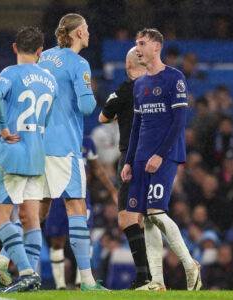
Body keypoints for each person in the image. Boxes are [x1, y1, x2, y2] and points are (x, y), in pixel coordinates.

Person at [121, 28, 202, 291]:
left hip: (165, 156)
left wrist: (159, 154)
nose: (137, 48)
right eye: (136, 43)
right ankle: (157, 280)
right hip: (142, 157)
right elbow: (136, 126)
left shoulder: (174, 78)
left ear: (157, 47)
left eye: (142, 43)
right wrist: (129, 161)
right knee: (146, 216)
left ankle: (190, 265)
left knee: (156, 211)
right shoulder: (140, 84)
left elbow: (179, 122)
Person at [0, 26, 57, 293]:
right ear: (40, 51)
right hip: (37, 154)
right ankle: (33, 276)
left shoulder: (9, 73)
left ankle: (26, 272)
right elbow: (48, 116)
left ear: (15, 47)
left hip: (12, 153)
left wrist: (4, 126)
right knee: (30, 217)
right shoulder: (49, 80)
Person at [37, 13, 106, 291]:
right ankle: (87, 281)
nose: (89, 33)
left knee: (36, 209)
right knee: (76, 206)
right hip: (64, 146)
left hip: (36, 144)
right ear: (77, 33)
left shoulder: (44, 57)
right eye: (86, 29)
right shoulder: (79, 63)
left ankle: (8, 262)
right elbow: (88, 107)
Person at [99, 46, 155, 289]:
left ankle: (145, 276)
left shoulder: (125, 90)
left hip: (131, 158)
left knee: (127, 218)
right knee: (150, 217)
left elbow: (103, 117)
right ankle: (153, 276)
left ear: (128, 65)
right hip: (157, 158)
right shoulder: (156, 89)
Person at [45, 136, 117, 289]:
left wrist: (112, 190)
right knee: (57, 240)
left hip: (82, 194)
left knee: (85, 237)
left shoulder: (87, 142)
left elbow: (96, 168)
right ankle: (60, 286)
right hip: (58, 194)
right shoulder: (54, 138)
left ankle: (81, 282)